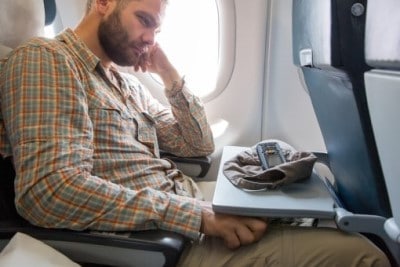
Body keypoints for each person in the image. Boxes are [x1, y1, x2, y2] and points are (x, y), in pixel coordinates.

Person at [0, 0, 391, 266]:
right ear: (103, 1)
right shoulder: (45, 60)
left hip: (193, 210)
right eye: (145, 20)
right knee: (363, 254)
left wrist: (168, 75)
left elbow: (197, 144)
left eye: (157, 27)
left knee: (324, 209)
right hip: (171, 241)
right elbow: (49, 191)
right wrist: (197, 216)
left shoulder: (124, 84)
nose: (151, 38)